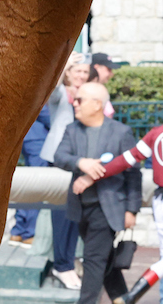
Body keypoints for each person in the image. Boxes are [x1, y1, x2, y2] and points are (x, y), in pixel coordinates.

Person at [87, 81, 163, 304]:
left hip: (161, 201)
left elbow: (125, 161)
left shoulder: (156, 133)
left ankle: (130, 297)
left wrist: (95, 173)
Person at [54, 82, 141, 304]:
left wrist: (132, 209)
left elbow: (133, 174)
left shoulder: (121, 132)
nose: (75, 103)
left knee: (93, 260)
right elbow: (60, 157)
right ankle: (122, 299)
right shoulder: (72, 130)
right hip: (81, 207)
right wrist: (80, 162)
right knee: (103, 257)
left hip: (108, 208)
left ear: (97, 105)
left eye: (80, 99)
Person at [42, 55, 96, 291]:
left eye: (85, 72)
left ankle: (68, 262)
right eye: (77, 71)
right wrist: (62, 63)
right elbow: (51, 87)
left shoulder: (89, 94)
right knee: (61, 216)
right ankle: (61, 265)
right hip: (59, 160)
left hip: (79, 161)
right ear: (68, 73)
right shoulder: (61, 94)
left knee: (75, 216)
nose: (81, 76)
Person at [9, 105, 51, 247]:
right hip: (39, 139)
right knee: (38, 185)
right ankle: (29, 233)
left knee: (30, 184)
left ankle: (18, 230)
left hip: (29, 138)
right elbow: (45, 113)